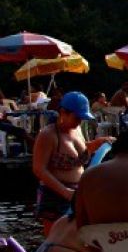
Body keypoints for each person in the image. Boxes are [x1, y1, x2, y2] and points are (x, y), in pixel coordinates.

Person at [32, 91, 113, 236]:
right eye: (77, 117)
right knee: (56, 241)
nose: (80, 122)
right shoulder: (48, 134)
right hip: (55, 195)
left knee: (80, 239)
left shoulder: (77, 129)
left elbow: (80, 152)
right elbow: (39, 169)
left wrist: (98, 143)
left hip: (78, 192)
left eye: (82, 118)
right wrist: (65, 192)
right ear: (63, 113)